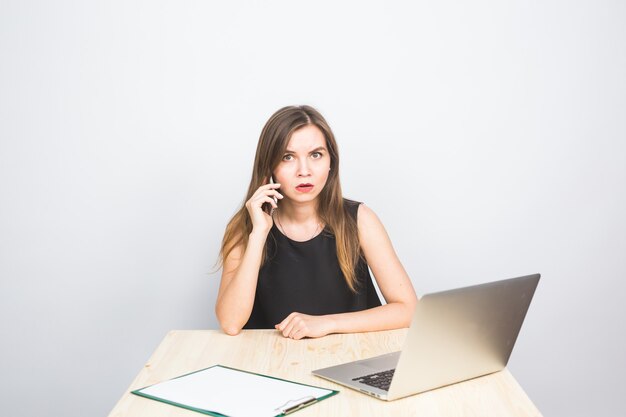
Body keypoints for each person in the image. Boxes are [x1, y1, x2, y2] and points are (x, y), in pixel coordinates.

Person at [216, 105, 417, 340]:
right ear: (269, 166)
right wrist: (259, 233)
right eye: (287, 157)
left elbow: (409, 309)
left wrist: (327, 323)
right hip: (273, 364)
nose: (304, 171)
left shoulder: (360, 219)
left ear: (331, 162)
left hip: (351, 360)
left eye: (316, 155)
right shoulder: (247, 228)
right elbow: (230, 323)